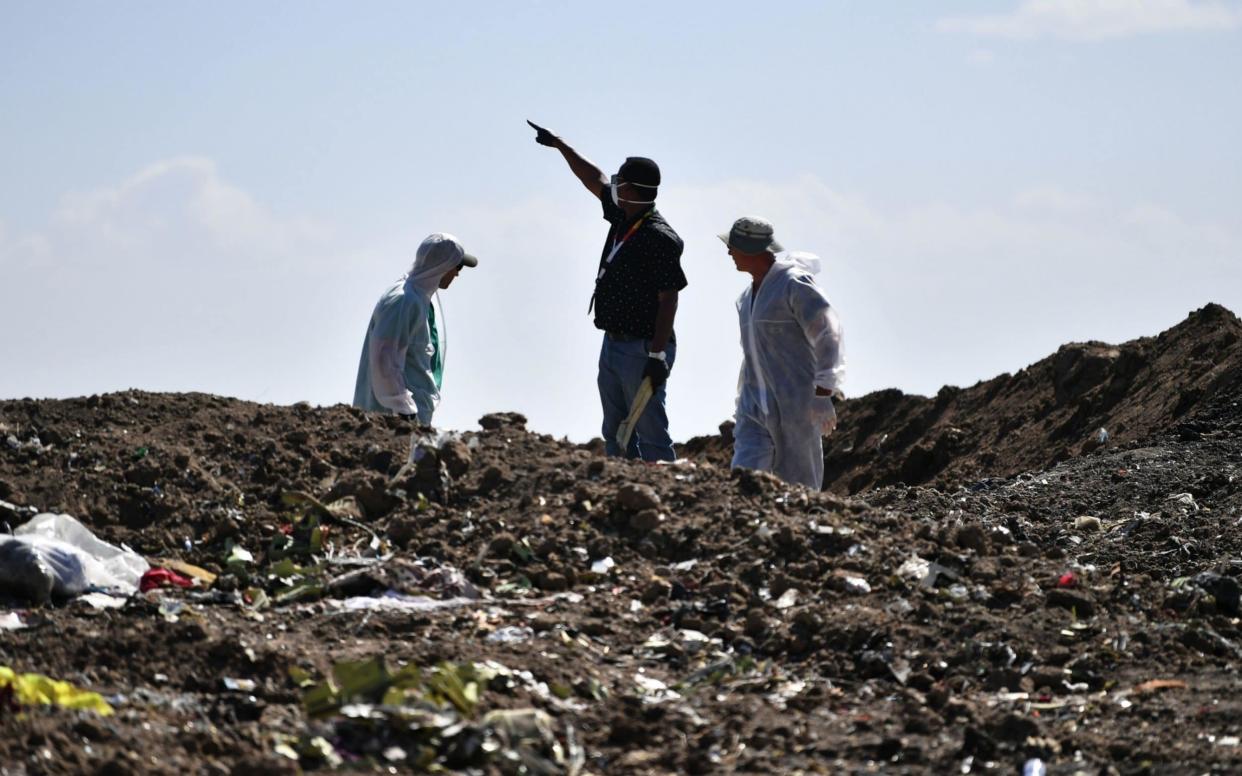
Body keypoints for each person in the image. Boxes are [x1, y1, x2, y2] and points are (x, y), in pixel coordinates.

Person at [528, 120, 687, 461]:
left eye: (621, 180)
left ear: (630, 189)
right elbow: (593, 178)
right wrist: (560, 146)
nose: (614, 183)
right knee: (616, 431)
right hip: (613, 343)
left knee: (649, 429)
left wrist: (657, 357)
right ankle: (624, 497)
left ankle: (670, 499)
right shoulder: (622, 215)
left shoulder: (660, 237)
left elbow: (669, 298)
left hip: (642, 347)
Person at [722, 216, 845, 490]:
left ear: (750, 249)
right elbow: (754, 352)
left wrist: (824, 390)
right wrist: (744, 396)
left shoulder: (793, 284)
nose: (729, 252)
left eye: (733, 246)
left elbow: (828, 332)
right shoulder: (746, 298)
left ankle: (801, 530)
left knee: (799, 486)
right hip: (754, 404)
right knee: (745, 479)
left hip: (796, 405)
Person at [352, 233, 478, 425]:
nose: (457, 274)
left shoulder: (424, 298)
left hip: (415, 417)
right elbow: (385, 359)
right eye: (457, 267)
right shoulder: (403, 300)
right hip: (393, 422)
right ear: (443, 266)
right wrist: (404, 410)